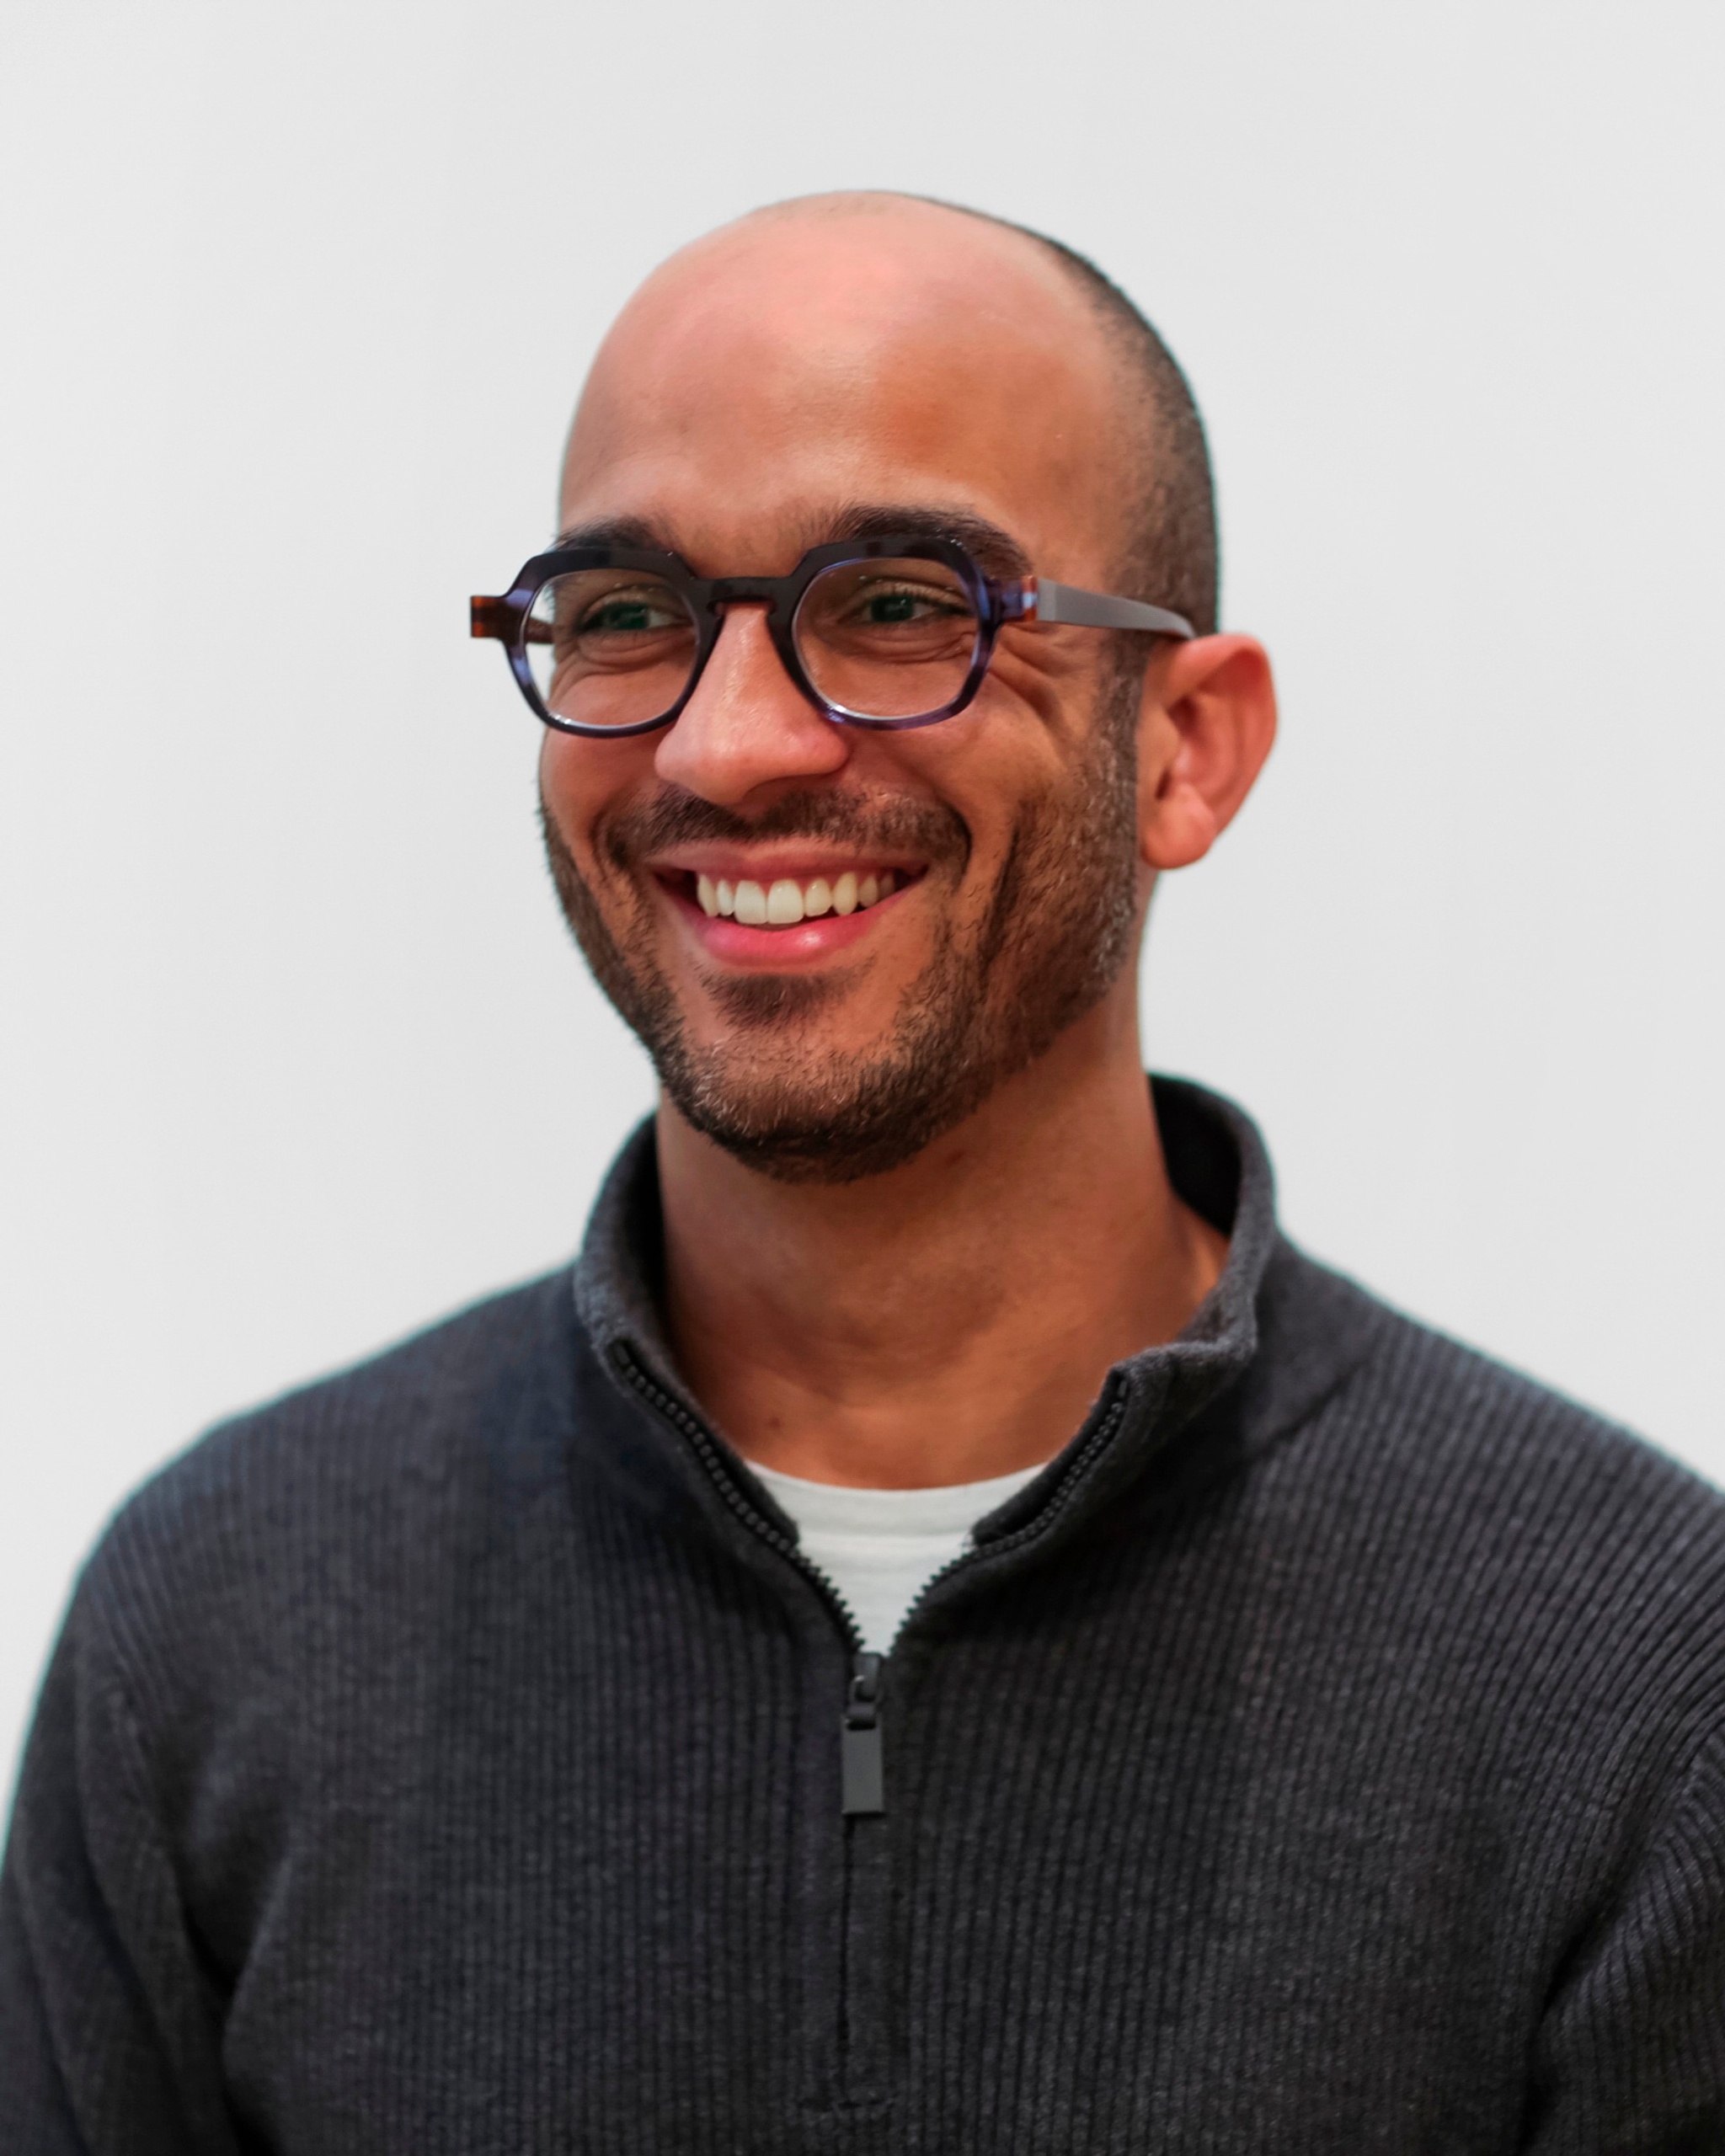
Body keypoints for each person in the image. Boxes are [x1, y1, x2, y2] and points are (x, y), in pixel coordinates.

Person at [3, 192, 1722, 2153]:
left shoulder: (1633, 1682)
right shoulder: (222, 1629)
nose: (728, 746)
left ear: (1187, 745)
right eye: (630, 613)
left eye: (902, 604)